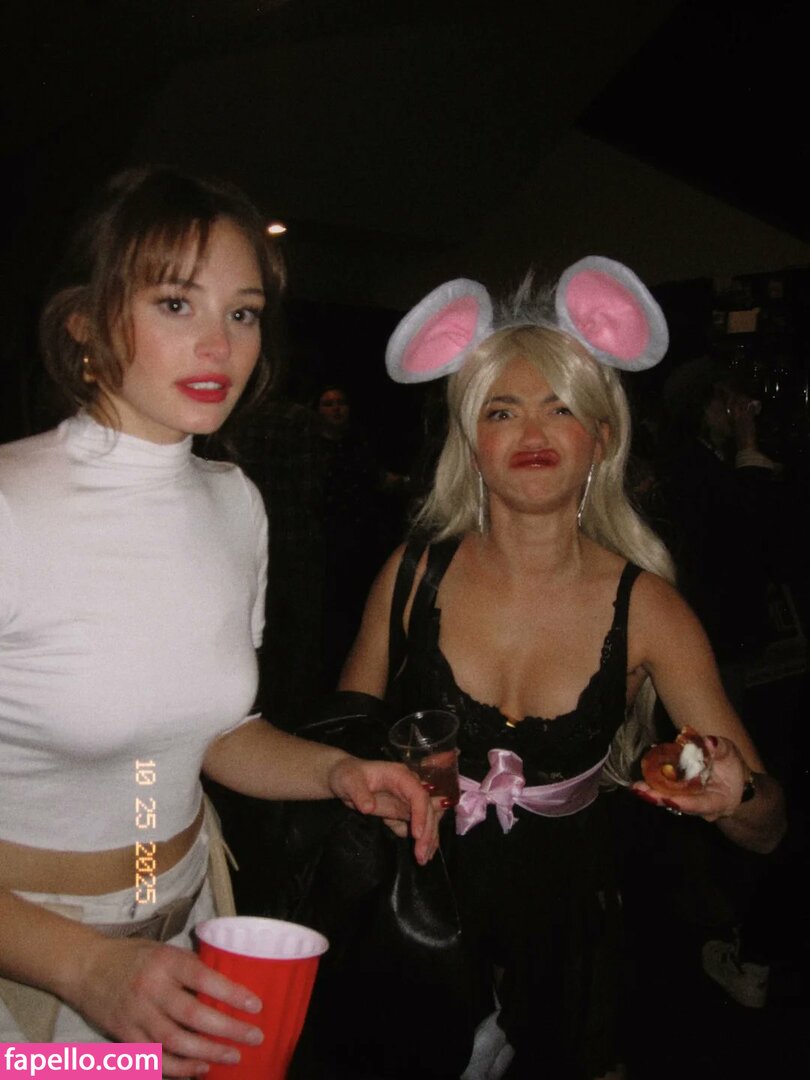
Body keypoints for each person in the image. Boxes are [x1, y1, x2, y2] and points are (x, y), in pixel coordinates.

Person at [0, 166, 436, 1078]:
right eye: (175, 303)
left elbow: (202, 735)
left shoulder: (234, 501)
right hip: (34, 979)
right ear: (83, 320)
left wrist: (337, 772)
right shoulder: (10, 507)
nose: (219, 345)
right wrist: (87, 967)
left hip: (181, 923)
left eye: (243, 313)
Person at [338, 262, 786, 1079]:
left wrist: (736, 797)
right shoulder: (411, 575)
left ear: (601, 439)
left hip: (568, 932)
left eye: (562, 407)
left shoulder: (649, 609)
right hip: (419, 905)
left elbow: (770, 826)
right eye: (502, 410)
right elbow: (341, 739)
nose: (533, 431)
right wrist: (375, 784)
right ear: (472, 442)